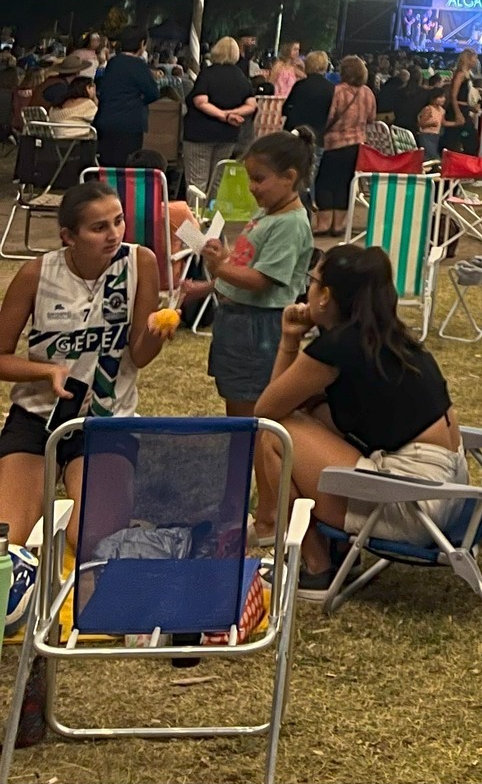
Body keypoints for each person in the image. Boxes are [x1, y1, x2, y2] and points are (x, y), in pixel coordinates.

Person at [252, 243, 466, 597]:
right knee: (315, 415)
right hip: (448, 492)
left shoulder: (338, 347)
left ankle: (318, 565)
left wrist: (289, 340)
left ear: (325, 297)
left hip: (412, 502)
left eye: (313, 281)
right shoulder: (388, 335)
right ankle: (335, 553)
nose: (308, 289)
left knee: (276, 437)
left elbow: (267, 412)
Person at [0, 181, 169, 546]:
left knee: (92, 540)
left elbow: (138, 356)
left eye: (119, 221)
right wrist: (47, 370)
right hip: (38, 417)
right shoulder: (36, 274)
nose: (114, 235)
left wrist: (154, 336)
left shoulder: (140, 263)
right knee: (7, 539)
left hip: (107, 420)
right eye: (99, 227)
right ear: (68, 237)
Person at [200, 130, 317, 418]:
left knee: (249, 406)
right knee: (235, 394)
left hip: (258, 326)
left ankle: (250, 457)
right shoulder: (268, 212)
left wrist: (219, 268)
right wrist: (223, 259)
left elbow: (261, 281)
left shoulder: (290, 224)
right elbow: (249, 263)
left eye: (259, 179)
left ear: (289, 177)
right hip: (239, 322)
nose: (251, 187)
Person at [184, 36, 257, 197]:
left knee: (197, 183)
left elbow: (200, 101)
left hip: (200, 134)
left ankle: (195, 219)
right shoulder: (241, 77)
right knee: (216, 182)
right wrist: (233, 114)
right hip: (228, 136)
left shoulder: (207, 74)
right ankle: (211, 217)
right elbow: (252, 105)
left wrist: (223, 115)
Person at [313, 57, 376, 237]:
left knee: (324, 183)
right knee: (345, 184)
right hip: (357, 145)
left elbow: (330, 115)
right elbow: (371, 118)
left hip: (334, 144)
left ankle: (324, 223)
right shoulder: (368, 93)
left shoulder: (337, 92)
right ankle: (339, 225)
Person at [93, 28, 161, 166]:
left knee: (107, 164)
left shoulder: (113, 63)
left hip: (106, 119)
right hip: (130, 122)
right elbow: (153, 93)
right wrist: (138, 101)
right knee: (127, 165)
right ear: (142, 44)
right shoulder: (138, 65)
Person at [443, 50, 480, 153]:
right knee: (466, 140)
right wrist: (458, 113)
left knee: (463, 140)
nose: (476, 61)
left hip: (463, 108)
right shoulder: (460, 74)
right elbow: (454, 95)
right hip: (458, 110)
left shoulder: (467, 75)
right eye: (475, 58)